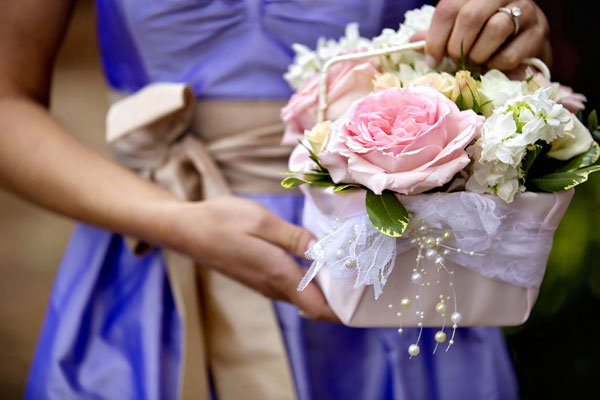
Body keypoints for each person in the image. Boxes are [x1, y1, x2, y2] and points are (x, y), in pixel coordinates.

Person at [0, 0, 550, 399]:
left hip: (384, 251)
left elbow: (498, 44)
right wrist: (169, 220)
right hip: (155, 250)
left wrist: (508, 28)